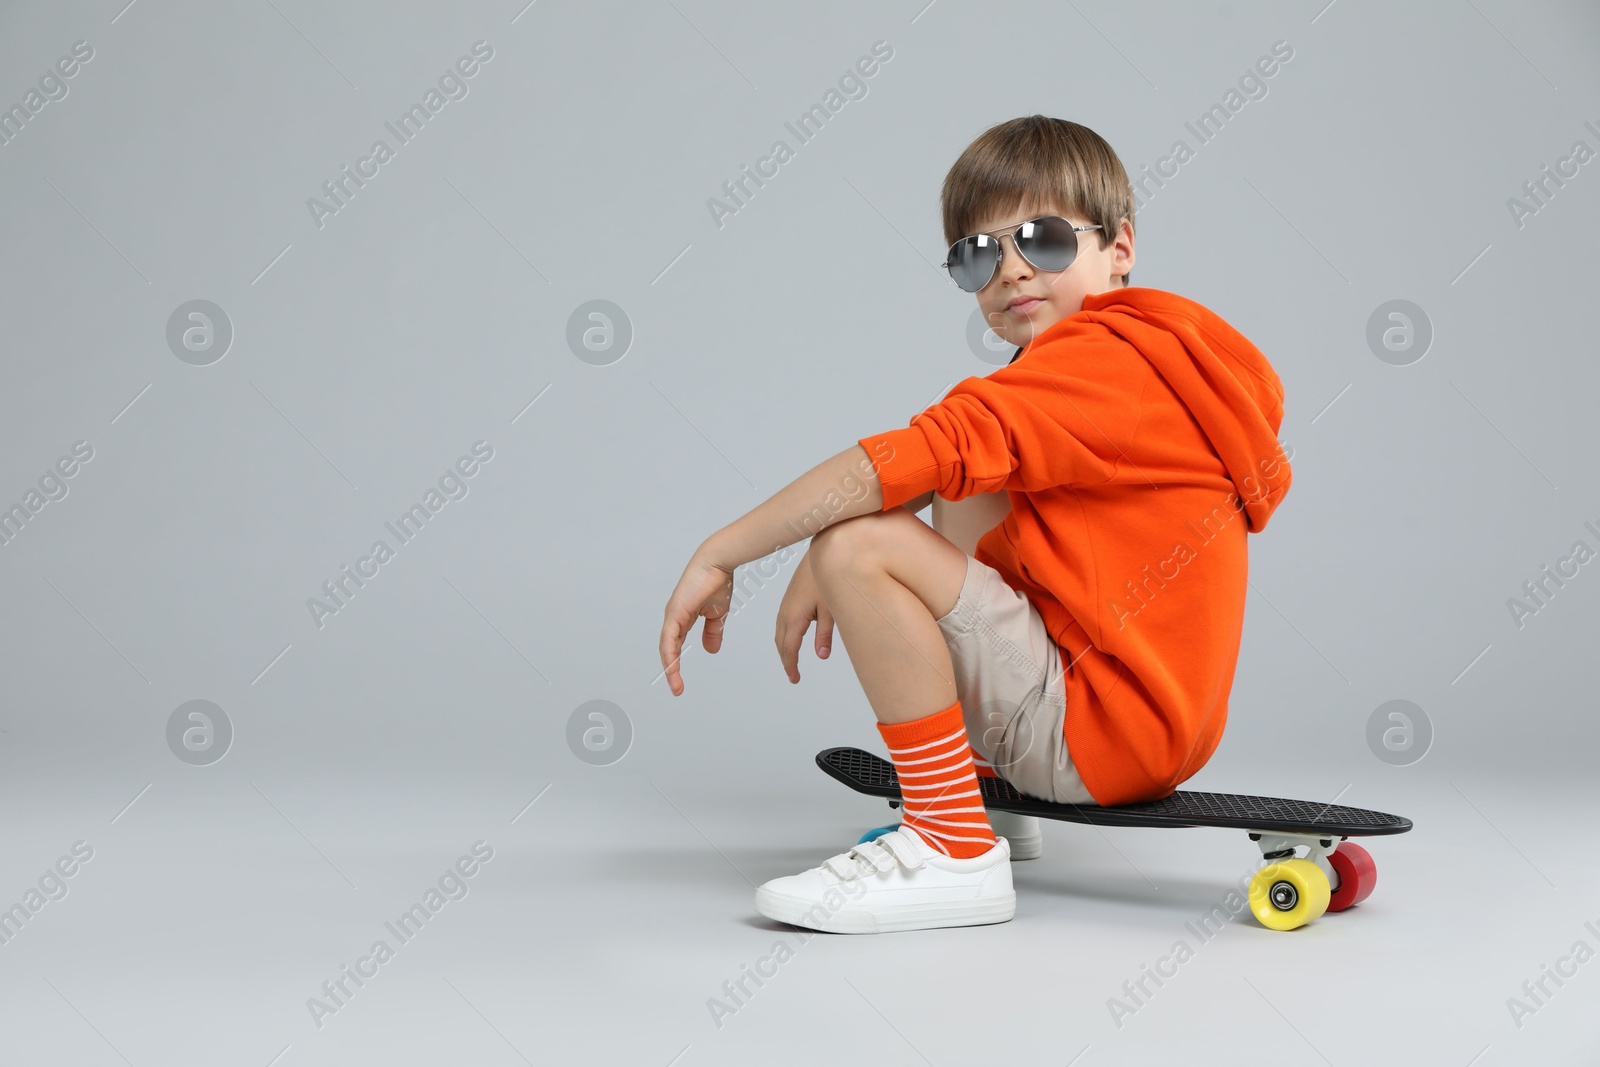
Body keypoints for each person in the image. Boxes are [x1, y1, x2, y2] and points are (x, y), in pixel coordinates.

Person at [658, 115, 1293, 934]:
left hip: (1098, 734)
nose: (1012, 270)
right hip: (1139, 721)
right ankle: (998, 803)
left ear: (1120, 247)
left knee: (858, 540)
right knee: (954, 484)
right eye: (979, 253)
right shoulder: (1145, 360)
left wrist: (726, 551)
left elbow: (905, 457)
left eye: (1045, 239)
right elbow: (945, 460)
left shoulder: (1103, 361)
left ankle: (953, 844)